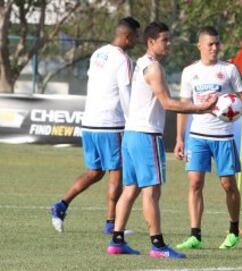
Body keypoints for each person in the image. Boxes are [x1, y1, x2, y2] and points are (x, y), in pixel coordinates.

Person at [106, 22, 217, 258]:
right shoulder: (154, 68)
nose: (169, 43)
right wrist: (201, 108)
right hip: (146, 136)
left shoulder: (141, 64)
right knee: (151, 193)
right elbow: (167, 104)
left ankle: (117, 241)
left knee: (131, 189)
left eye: (169, 39)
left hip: (131, 134)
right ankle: (158, 246)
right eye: (164, 39)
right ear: (151, 42)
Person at [174, 26, 242, 250]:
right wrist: (179, 138)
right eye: (210, 44)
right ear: (200, 46)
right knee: (195, 183)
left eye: (217, 43)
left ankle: (234, 230)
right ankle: (195, 235)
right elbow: (183, 106)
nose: (215, 48)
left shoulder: (229, 70)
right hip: (197, 137)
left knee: (228, 185)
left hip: (223, 137)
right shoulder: (189, 72)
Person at [50, 17, 140, 234]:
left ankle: (60, 205)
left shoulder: (98, 53)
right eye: (136, 37)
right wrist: (133, 121)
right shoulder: (123, 59)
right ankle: (111, 224)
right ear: (127, 37)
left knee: (95, 172)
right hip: (111, 124)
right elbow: (126, 94)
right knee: (117, 172)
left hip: (90, 122)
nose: (137, 41)